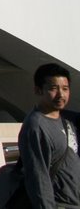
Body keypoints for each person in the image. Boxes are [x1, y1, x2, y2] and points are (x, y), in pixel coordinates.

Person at [19, 63, 80, 208]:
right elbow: (37, 177)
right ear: (38, 90)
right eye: (53, 88)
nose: (61, 94)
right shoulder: (36, 126)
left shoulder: (67, 118)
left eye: (65, 89)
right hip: (59, 205)